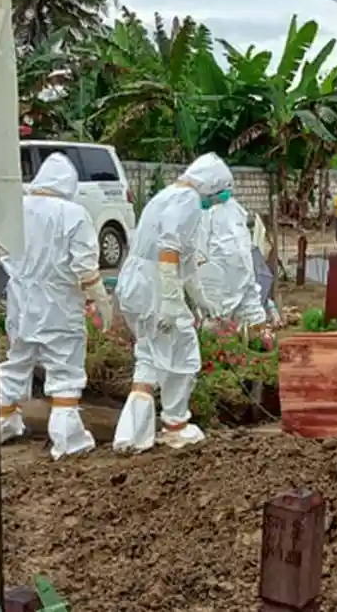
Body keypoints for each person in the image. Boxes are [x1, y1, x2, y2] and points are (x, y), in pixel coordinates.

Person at [0, 153, 111, 460]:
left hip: (21, 300)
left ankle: (4, 422)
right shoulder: (73, 214)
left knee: (18, 360)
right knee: (64, 368)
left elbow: (2, 251)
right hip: (59, 304)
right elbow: (86, 267)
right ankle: (67, 439)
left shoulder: (17, 208)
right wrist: (102, 302)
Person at [112, 153, 225, 452]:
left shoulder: (168, 197)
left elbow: (184, 262)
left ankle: (131, 434)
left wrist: (199, 297)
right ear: (211, 184)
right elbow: (169, 251)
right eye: (221, 191)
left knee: (150, 354)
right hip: (154, 288)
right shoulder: (187, 199)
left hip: (137, 284)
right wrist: (172, 301)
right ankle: (175, 426)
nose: (220, 198)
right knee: (182, 353)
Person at [195, 170, 270, 334]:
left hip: (243, 277)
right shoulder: (203, 213)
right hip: (219, 283)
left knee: (255, 324)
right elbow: (199, 253)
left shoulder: (235, 209)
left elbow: (244, 246)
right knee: (217, 326)